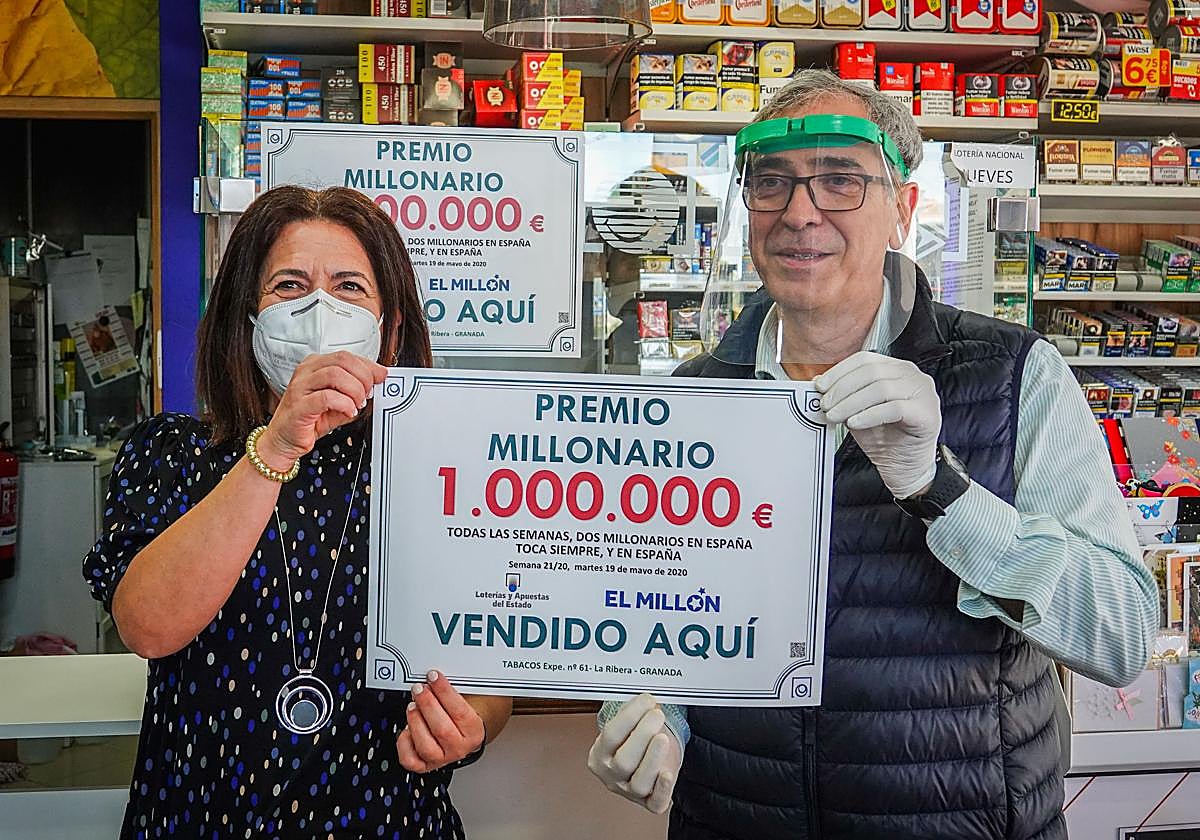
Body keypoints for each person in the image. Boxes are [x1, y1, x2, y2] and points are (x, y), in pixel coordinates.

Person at [587, 70, 1159, 840]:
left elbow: (1121, 634)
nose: (799, 212)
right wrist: (652, 715)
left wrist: (939, 489)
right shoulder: (693, 399)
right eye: (772, 182)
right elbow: (657, 612)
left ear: (903, 211)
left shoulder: (1014, 375)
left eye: (840, 180)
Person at [83, 185, 512, 839]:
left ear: (391, 327)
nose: (320, 310)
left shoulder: (438, 468)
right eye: (289, 285)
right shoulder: (172, 453)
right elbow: (147, 626)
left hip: (386, 818)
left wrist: (470, 722)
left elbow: (492, 663)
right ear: (247, 318)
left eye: (350, 287)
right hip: (202, 817)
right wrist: (278, 444)